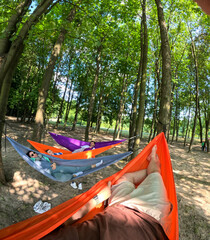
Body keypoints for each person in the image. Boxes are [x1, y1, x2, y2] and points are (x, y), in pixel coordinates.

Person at [42, 145, 171, 240]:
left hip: (117, 208)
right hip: (149, 216)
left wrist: (98, 199)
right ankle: (153, 169)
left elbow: (62, 223)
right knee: (155, 174)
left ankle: (152, 173)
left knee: (125, 178)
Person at [26, 151, 103, 181]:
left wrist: (54, 164)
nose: (34, 154)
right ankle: (73, 175)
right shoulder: (35, 162)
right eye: (32, 155)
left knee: (74, 168)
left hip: (56, 167)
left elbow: (52, 160)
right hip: (51, 172)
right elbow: (42, 167)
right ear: (31, 157)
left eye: (34, 153)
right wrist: (52, 166)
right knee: (62, 179)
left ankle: (94, 165)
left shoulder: (42, 155)